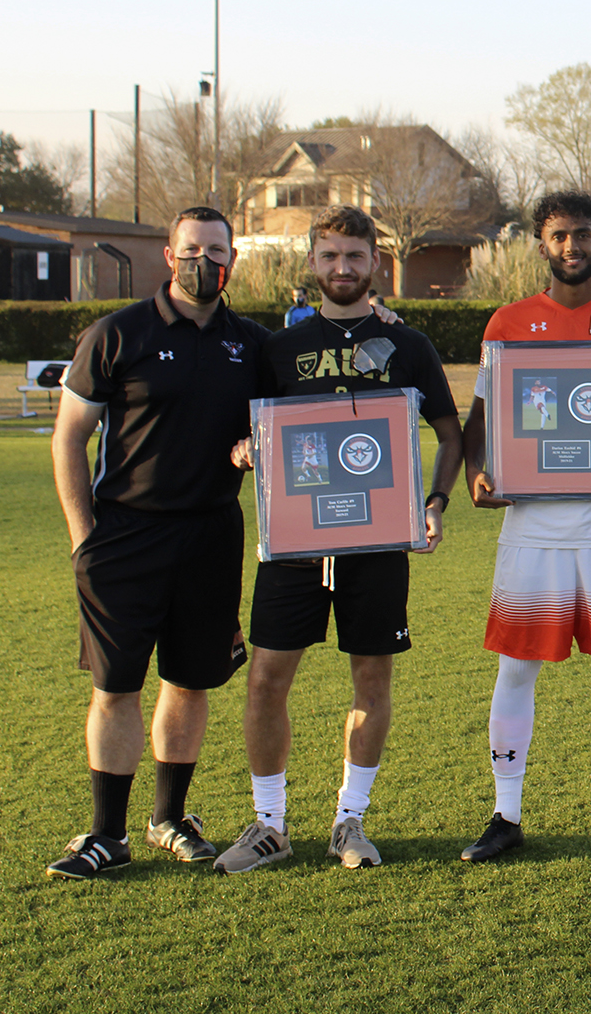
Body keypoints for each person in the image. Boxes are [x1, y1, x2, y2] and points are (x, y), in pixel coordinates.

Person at [213, 205, 464, 874]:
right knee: (266, 679)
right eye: (330, 256)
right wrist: (245, 450)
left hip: (378, 542)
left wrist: (435, 502)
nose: (342, 268)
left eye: (355, 256)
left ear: (375, 262)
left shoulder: (407, 344)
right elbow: (253, 434)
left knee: (371, 679)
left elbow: (449, 433)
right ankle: (269, 826)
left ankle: (349, 820)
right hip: (295, 543)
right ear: (313, 262)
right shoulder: (278, 349)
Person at [47, 206, 272, 879]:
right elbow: (69, 438)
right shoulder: (119, 333)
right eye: (192, 249)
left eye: (217, 249)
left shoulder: (251, 343)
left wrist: (256, 449)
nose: (205, 260)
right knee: (116, 687)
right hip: (124, 535)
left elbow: (290, 418)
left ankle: (170, 817)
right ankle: (106, 835)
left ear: (234, 258)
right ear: (170, 257)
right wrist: (83, 537)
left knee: (190, 679)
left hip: (210, 532)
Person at [458, 191, 591, 862]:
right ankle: (505, 812)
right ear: (541, 244)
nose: (571, 246)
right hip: (533, 524)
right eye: (558, 236)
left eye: (582, 235)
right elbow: (482, 418)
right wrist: (477, 474)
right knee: (516, 668)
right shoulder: (508, 323)